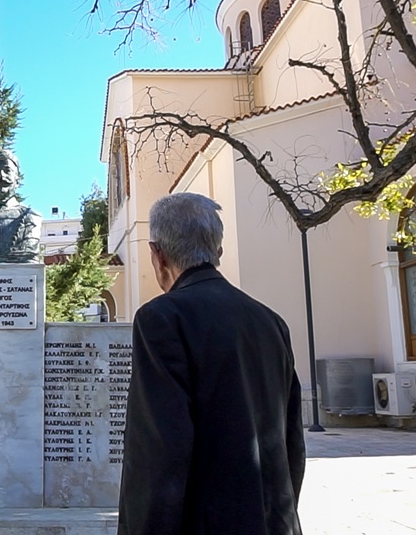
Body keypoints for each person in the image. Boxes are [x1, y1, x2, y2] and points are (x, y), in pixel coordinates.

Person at [118, 192, 305, 535]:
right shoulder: (270, 321)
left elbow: (158, 455)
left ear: (156, 254)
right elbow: (292, 440)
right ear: (218, 252)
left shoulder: (161, 319)